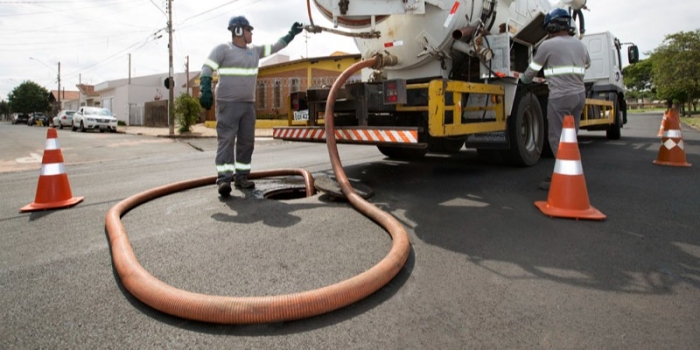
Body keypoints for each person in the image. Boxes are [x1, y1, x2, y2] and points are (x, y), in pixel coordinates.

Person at [199, 16, 304, 197]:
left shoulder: (254, 51)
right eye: (249, 30)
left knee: (247, 142)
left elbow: (275, 46)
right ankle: (224, 180)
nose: (251, 33)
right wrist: (205, 88)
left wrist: (291, 34)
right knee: (226, 141)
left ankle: (241, 177)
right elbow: (207, 67)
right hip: (227, 104)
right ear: (238, 30)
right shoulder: (223, 49)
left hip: (248, 105)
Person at [520, 8, 590, 190]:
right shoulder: (580, 45)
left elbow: (532, 69)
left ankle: (562, 176)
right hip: (579, 95)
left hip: (560, 97)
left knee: (556, 137)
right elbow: (587, 63)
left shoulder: (548, 46)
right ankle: (572, 173)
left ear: (551, 26)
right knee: (571, 136)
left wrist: (523, 80)